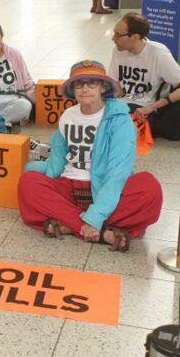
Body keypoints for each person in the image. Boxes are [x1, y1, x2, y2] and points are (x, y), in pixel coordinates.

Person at [17, 60, 163, 253]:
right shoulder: (68, 115)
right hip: (69, 186)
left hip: (105, 188)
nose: (85, 89)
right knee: (28, 182)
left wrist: (95, 216)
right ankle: (101, 233)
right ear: (73, 89)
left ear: (103, 87)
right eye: (79, 83)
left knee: (149, 188)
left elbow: (117, 173)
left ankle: (71, 224)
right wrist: (37, 179)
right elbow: (57, 162)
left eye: (91, 83)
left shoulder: (121, 121)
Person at [109, 13, 180, 140]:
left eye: (118, 35)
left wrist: (153, 107)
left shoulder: (158, 54)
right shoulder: (119, 50)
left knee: (115, 130)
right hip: (123, 104)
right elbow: (116, 86)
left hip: (144, 107)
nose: (113, 39)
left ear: (135, 37)